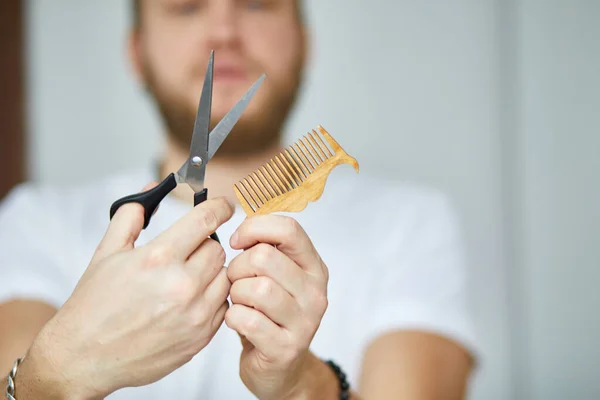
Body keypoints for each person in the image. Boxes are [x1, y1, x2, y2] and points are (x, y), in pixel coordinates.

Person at [0, 0, 478, 398]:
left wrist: (301, 385)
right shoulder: (38, 221)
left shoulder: (407, 223)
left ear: (304, 40)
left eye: (257, 3)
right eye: (186, 7)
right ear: (136, 52)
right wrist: (67, 362)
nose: (224, 31)